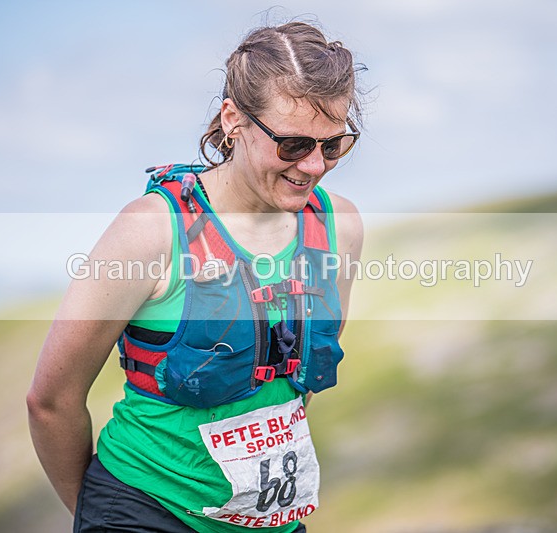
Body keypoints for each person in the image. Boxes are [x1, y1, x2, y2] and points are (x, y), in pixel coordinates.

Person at [27, 20, 365, 533]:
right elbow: (50, 401)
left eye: (333, 144)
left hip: (269, 521)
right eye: (293, 144)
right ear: (234, 118)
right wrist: (98, 517)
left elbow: (295, 386)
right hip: (141, 510)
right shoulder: (151, 231)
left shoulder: (338, 227)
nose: (315, 166)